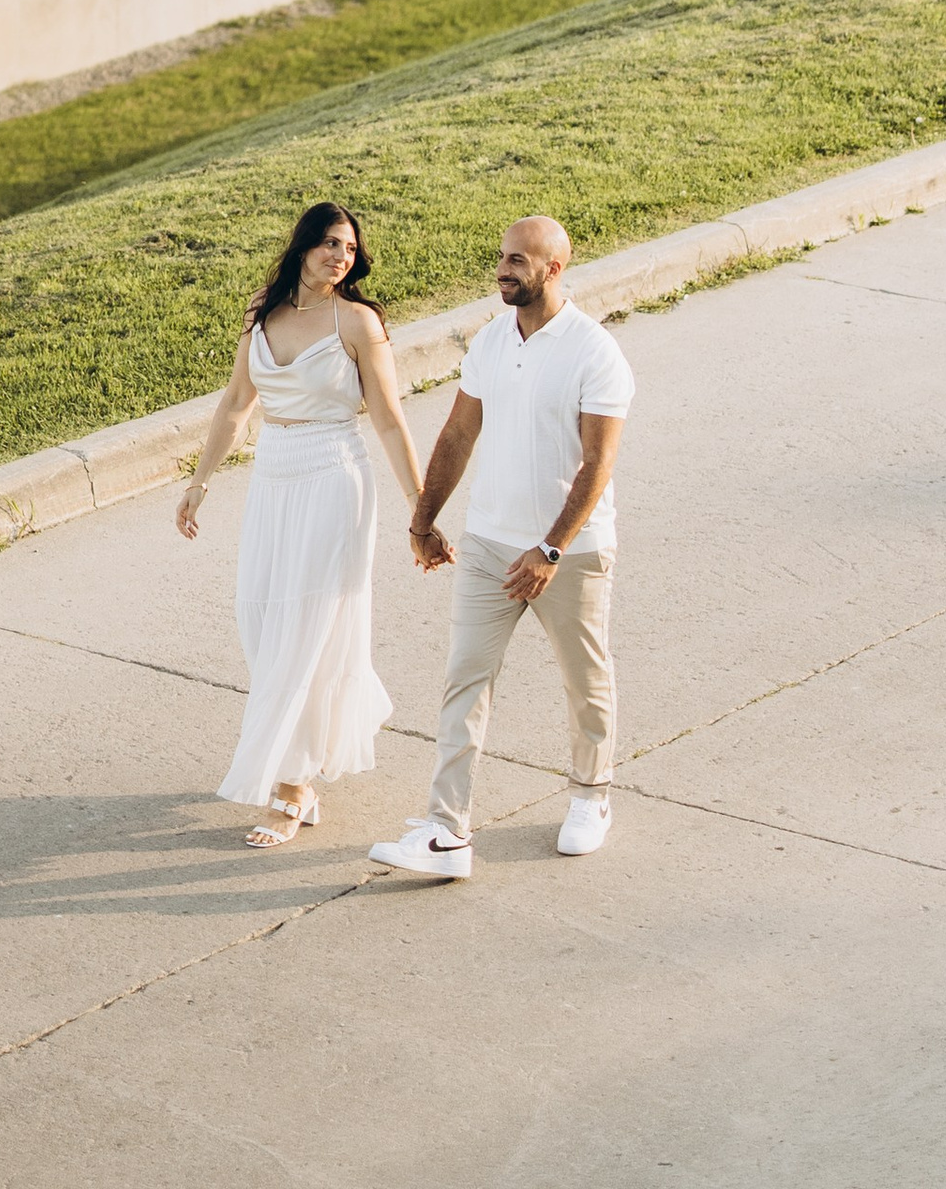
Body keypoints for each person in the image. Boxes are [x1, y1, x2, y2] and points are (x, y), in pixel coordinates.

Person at [369, 212, 631, 880]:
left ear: (554, 267)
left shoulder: (593, 351)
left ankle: (591, 797)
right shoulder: (491, 340)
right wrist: (422, 519)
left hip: (566, 553)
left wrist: (549, 549)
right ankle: (448, 832)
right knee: (465, 679)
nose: (504, 268)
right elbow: (458, 433)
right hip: (488, 543)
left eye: (519, 259)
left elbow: (598, 465)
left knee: (584, 676)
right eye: (502, 256)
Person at [177, 197, 426, 846]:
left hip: (333, 478)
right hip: (274, 477)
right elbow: (236, 401)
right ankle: (298, 761)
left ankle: (291, 788)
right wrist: (199, 483)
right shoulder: (264, 308)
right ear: (304, 244)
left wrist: (420, 511)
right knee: (262, 621)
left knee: (308, 631)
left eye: (349, 247)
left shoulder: (358, 322)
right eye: (329, 244)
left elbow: (390, 420)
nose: (340, 256)